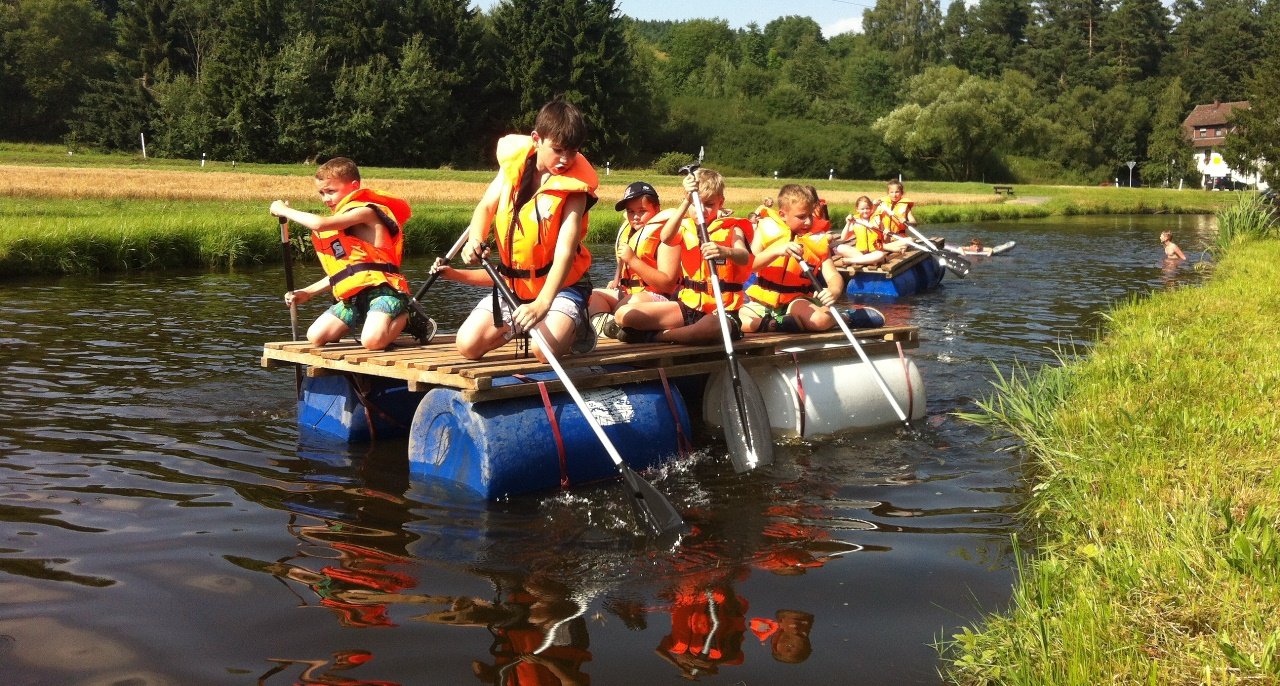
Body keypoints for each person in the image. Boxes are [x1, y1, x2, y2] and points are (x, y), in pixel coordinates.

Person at [454, 99, 599, 362]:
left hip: (562, 288)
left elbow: (566, 251)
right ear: (536, 139)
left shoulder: (575, 188)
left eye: (573, 151)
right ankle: (525, 325)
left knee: (542, 351)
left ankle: (575, 328)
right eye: (557, 150)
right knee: (467, 346)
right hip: (515, 287)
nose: (565, 160)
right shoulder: (514, 167)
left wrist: (542, 304)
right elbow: (486, 207)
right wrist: (475, 239)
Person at [270, 157, 421, 351]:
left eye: (331, 191)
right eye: (321, 193)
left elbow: (319, 224)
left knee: (372, 342)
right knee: (316, 336)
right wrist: (308, 292)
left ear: (354, 186)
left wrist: (284, 210)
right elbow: (348, 273)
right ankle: (369, 319)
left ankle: (408, 316)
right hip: (354, 299)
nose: (326, 199)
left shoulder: (365, 212)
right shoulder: (343, 225)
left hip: (384, 292)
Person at [607, 168, 753, 345]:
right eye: (696, 204)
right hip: (689, 307)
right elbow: (666, 237)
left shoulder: (733, 229)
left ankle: (657, 336)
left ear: (720, 203)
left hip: (722, 312)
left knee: (713, 325)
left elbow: (744, 257)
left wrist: (725, 251)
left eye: (709, 205)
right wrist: (686, 200)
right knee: (624, 314)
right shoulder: (684, 227)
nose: (702, 211)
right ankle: (680, 332)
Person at [740, 184, 844, 334]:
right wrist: (776, 251)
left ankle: (844, 317)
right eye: (801, 217)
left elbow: (833, 275)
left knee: (820, 320)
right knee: (732, 320)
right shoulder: (765, 230)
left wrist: (834, 290)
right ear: (782, 215)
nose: (808, 222)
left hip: (796, 301)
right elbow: (750, 265)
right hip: (762, 301)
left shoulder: (817, 240)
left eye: (810, 216)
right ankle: (774, 324)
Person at [586, 181, 680, 332]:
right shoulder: (629, 233)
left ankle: (612, 326)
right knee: (593, 296)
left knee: (631, 302)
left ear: (657, 209)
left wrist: (633, 260)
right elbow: (621, 270)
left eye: (642, 211)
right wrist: (616, 281)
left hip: (661, 299)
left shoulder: (667, 237)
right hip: (629, 294)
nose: (635, 217)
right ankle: (611, 329)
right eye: (631, 212)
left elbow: (667, 284)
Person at [833, 195, 902, 267]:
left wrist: (886, 233)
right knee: (840, 247)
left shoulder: (877, 219)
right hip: (860, 253)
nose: (865, 211)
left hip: (874, 253)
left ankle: (851, 261)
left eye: (867, 208)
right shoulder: (855, 221)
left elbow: (885, 240)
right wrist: (848, 223)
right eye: (862, 209)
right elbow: (843, 238)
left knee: (880, 254)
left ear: (871, 208)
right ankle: (868, 261)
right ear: (857, 209)